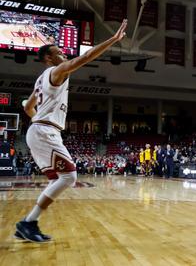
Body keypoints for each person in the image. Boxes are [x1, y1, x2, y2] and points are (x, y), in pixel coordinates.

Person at [15, 19, 127, 242]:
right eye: (59, 52)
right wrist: (113, 40)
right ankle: (28, 223)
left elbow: (28, 107)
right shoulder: (56, 72)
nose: (64, 55)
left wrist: (37, 120)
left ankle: (28, 223)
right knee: (69, 177)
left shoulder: (40, 80)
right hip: (45, 132)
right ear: (49, 58)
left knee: (59, 178)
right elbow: (84, 58)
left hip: (41, 130)